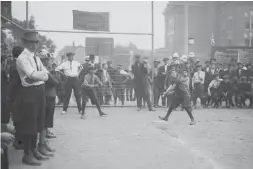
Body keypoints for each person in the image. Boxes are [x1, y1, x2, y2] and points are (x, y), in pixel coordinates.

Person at [16, 31, 49, 166]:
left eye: (36, 42)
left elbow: (45, 74)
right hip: (29, 92)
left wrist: (38, 75)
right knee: (29, 124)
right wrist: (39, 75)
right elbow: (32, 74)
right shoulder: (23, 58)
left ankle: (34, 150)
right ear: (25, 43)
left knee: (38, 122)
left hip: (39, 91)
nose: (34, 44)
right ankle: (27, 154)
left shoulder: (36, 57)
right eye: (31, 42)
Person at [9, 46, 24, 150]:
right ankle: (18, 142)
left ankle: (18, 140)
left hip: (15, 96)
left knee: (18, 120)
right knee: (19, 120)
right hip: (18, 97)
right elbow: (15, 83)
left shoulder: (12, 64)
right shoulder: (17, 65)